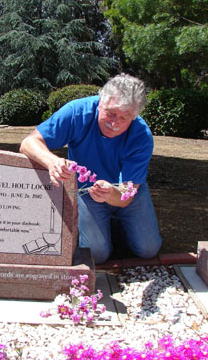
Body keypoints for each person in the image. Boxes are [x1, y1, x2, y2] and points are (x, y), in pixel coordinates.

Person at [19, 73, 161, 264]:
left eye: (124, 118)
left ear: (134, 117)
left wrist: (110, 194)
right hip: (87, 190)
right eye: (110, 113)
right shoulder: (77, 112)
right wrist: (52, 162)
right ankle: (109, 230)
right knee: (97, 255)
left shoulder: (142, 136)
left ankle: (117, 227)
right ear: (100, 102)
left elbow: (126, 195)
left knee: (148, 249)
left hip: (127, 190)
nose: (114, 123)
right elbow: (28, 143)